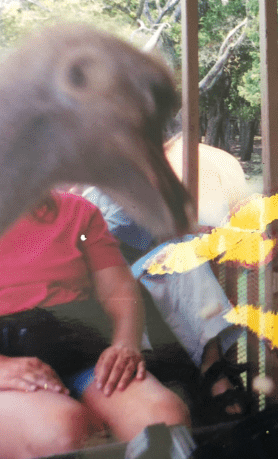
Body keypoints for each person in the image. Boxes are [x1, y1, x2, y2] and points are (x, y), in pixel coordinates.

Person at [0, 192, 190, 459]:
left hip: (75, 355)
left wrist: (125, 344)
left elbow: (117, 289)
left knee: (165, 421)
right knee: (62, 432)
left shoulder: (77, 211)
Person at [80, 139, 253, 422]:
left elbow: (134, 234)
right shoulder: (80, 198)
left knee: (184, 252)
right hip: (99, 286)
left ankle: (213, 368)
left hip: (134, 274)